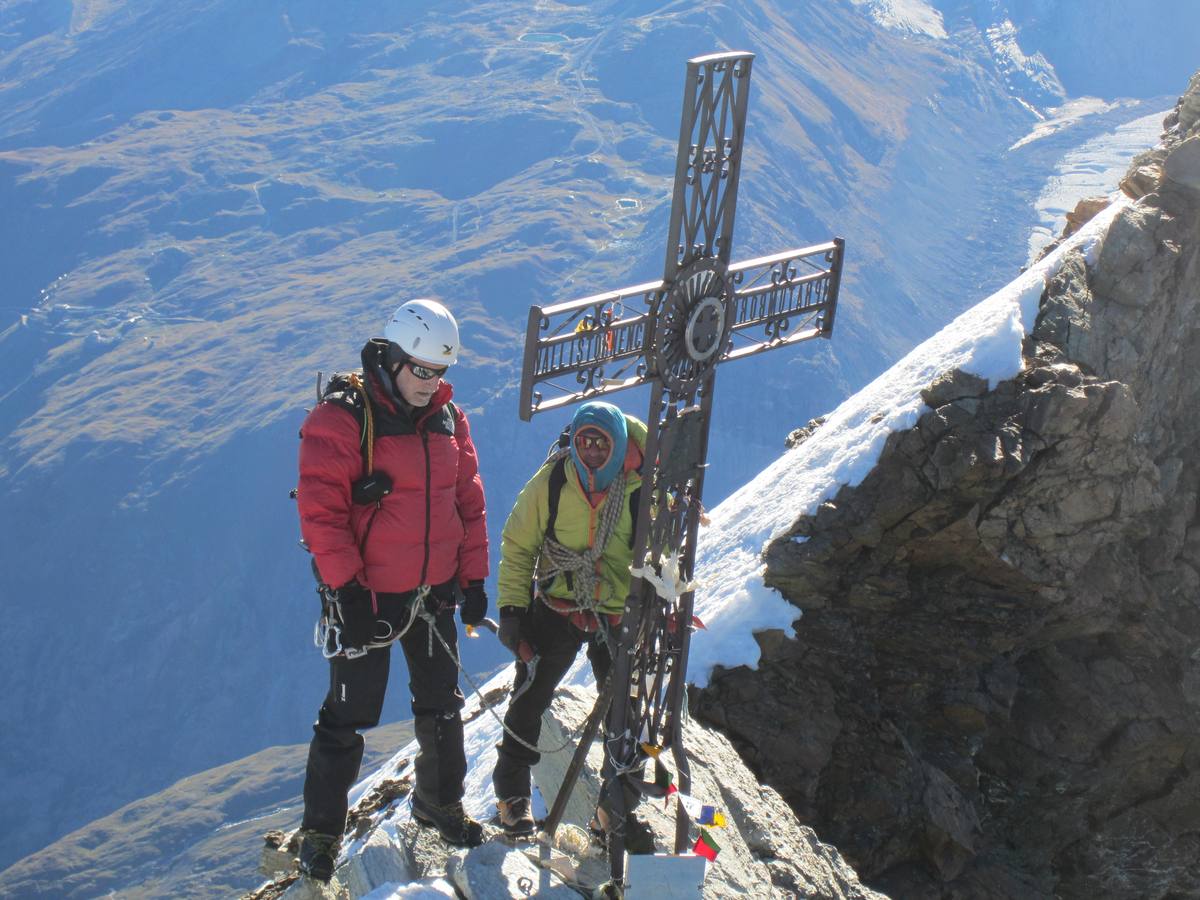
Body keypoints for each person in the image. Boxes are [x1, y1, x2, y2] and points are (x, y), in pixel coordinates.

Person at [294, 298, 489, 882]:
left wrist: (473, 576)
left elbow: (467, 501)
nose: (432, 385)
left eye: (441, 373)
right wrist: (347, 590)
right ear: (393, 358)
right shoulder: (342, 419)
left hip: (431, 594)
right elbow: (321, 514)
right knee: (348, 715)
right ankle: (321, 834)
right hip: (369, 598)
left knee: (441, 705)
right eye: (423, 371)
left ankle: (439, 805)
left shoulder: (449, 419)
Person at [491, 400, 653, 851]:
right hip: (560, 605)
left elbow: (662, 549)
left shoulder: (640, 486)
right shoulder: (555, 480)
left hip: (616, 608)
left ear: (619, 444)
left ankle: (613, 807)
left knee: (626, 709)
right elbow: (519, 545)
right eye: (585, 443)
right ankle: (513, 796)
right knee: (528, 698)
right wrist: (512, 611)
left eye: (602, 443)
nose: (592, 451)